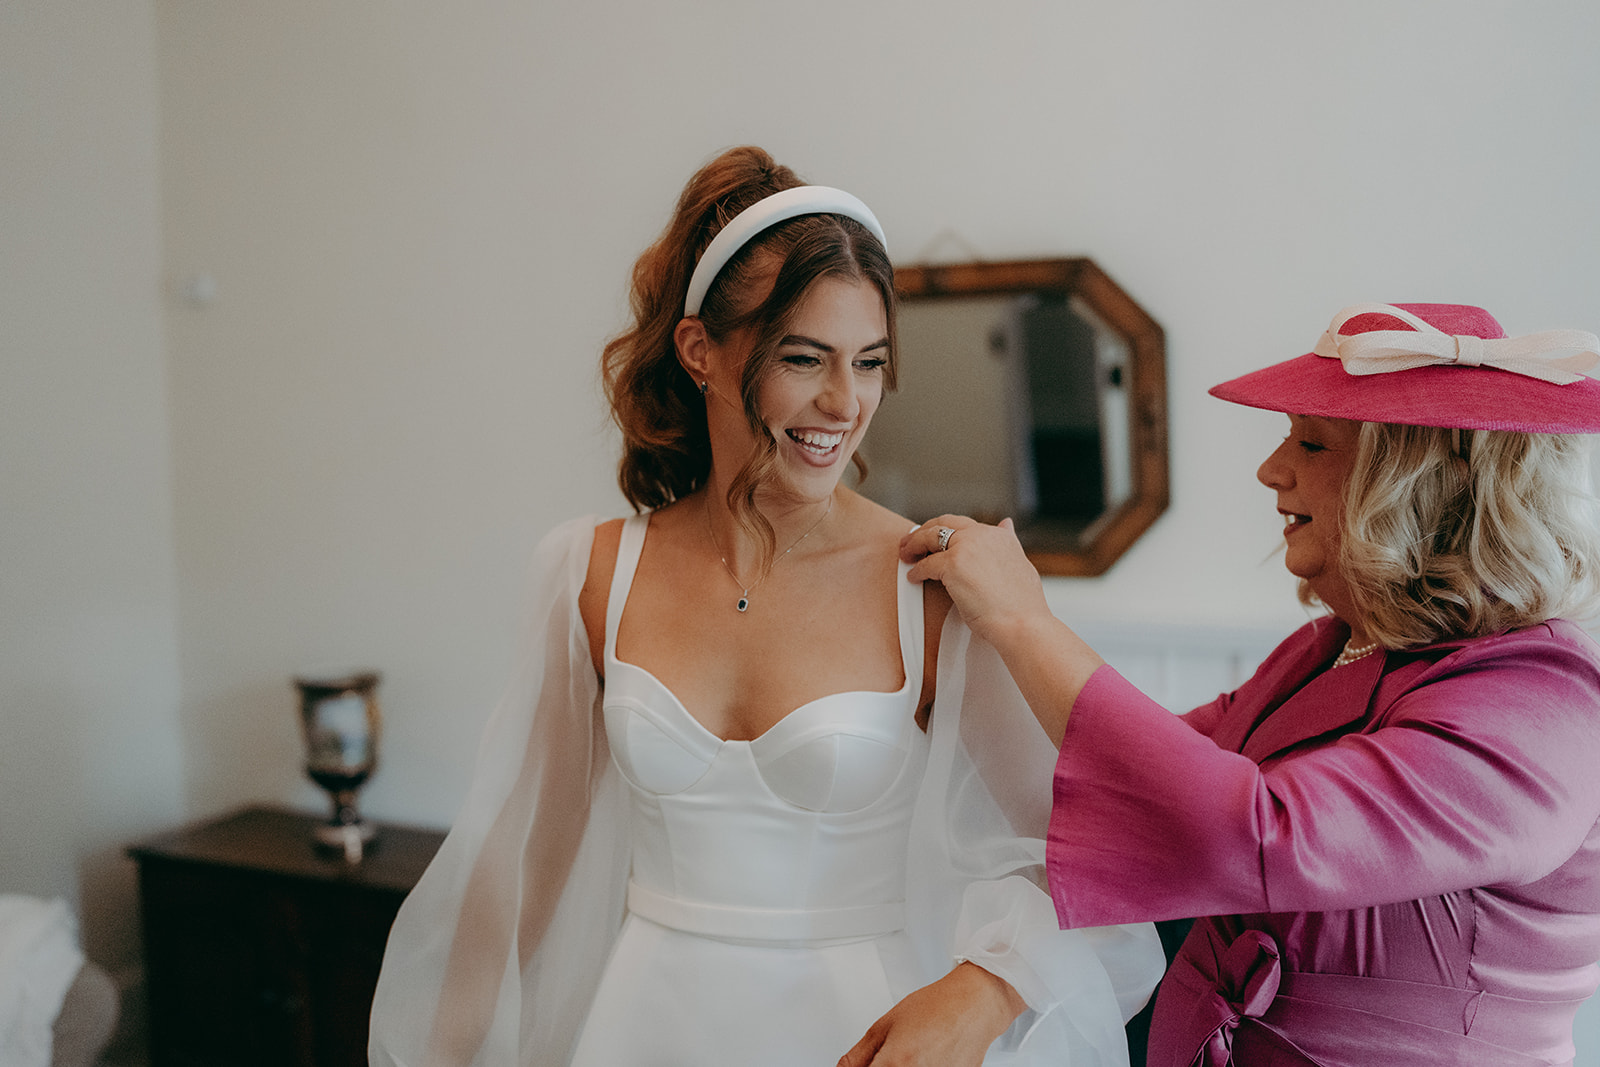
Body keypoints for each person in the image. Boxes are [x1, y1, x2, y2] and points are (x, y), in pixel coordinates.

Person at [367, 146, 1163, 1067]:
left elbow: (1086, 864)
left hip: (855, 1034)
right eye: (804, 357)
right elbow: (518, 879)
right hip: (645, 1029)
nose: (844, 401)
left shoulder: (933, 587)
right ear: (699, 350)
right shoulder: (589, 572)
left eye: (869, 362)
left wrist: (988, 988)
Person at [902, 301, 1600, 1066]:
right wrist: (951, 664)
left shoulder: (1542, 703)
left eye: (1311, 441)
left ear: (1420, 483)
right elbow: (1115, 791)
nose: (1271, 469)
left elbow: (1255, 834)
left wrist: (1025, 622)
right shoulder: (1328, 651)